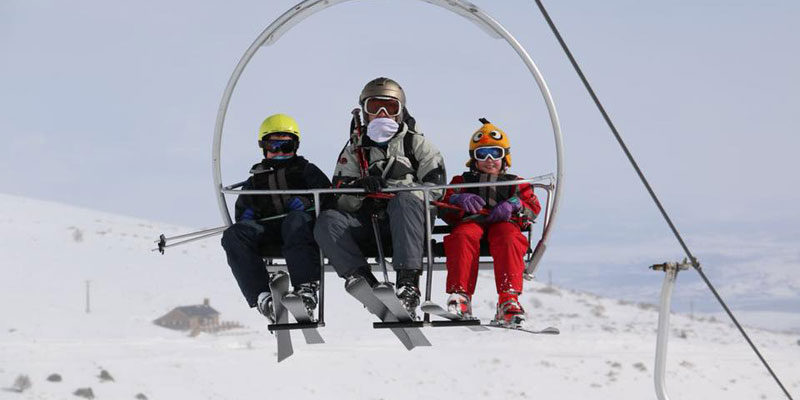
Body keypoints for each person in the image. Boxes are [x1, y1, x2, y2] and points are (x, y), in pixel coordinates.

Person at [314, 77, 446, 319]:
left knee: (405, 201)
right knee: (328, 220)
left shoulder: (417, 145)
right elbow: (340, 197)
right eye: (374, 107)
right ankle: (364, 282)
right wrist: (359, 188)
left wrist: (398, 189)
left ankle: (408, 286)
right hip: (369, 225)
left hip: (407, 228)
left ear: (400, 111)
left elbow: (435, 190)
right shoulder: (355, 149)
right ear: (365, 112)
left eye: (390, 107)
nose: (382, 114)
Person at [221, 113, 332, 323]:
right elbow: (243, 209)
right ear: (263, 147)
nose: (279, 152)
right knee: (233, 235)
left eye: (286, 147)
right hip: (269, 231)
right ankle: (263, 297)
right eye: (273, 146)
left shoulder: (307, 171)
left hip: (301, 232)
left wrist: (307, 204)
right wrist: (247, 216)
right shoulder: (256, 180)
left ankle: (306, 290)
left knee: (295, 221)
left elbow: (329, 199)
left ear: (295, 147)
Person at [440, 118, 541, 326]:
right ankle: (460, 296)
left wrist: (514, 205)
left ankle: (508, 298)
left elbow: (532, 206)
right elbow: (442, 201)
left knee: (509, 237)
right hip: (472, 222)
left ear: (505, 157)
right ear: (473, 159)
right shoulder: (463, 182)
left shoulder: (516, 183)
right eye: (481, 154)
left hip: (503, 224)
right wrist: (457, 200)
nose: (489, 159)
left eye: (495, 153)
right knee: (462, 236)